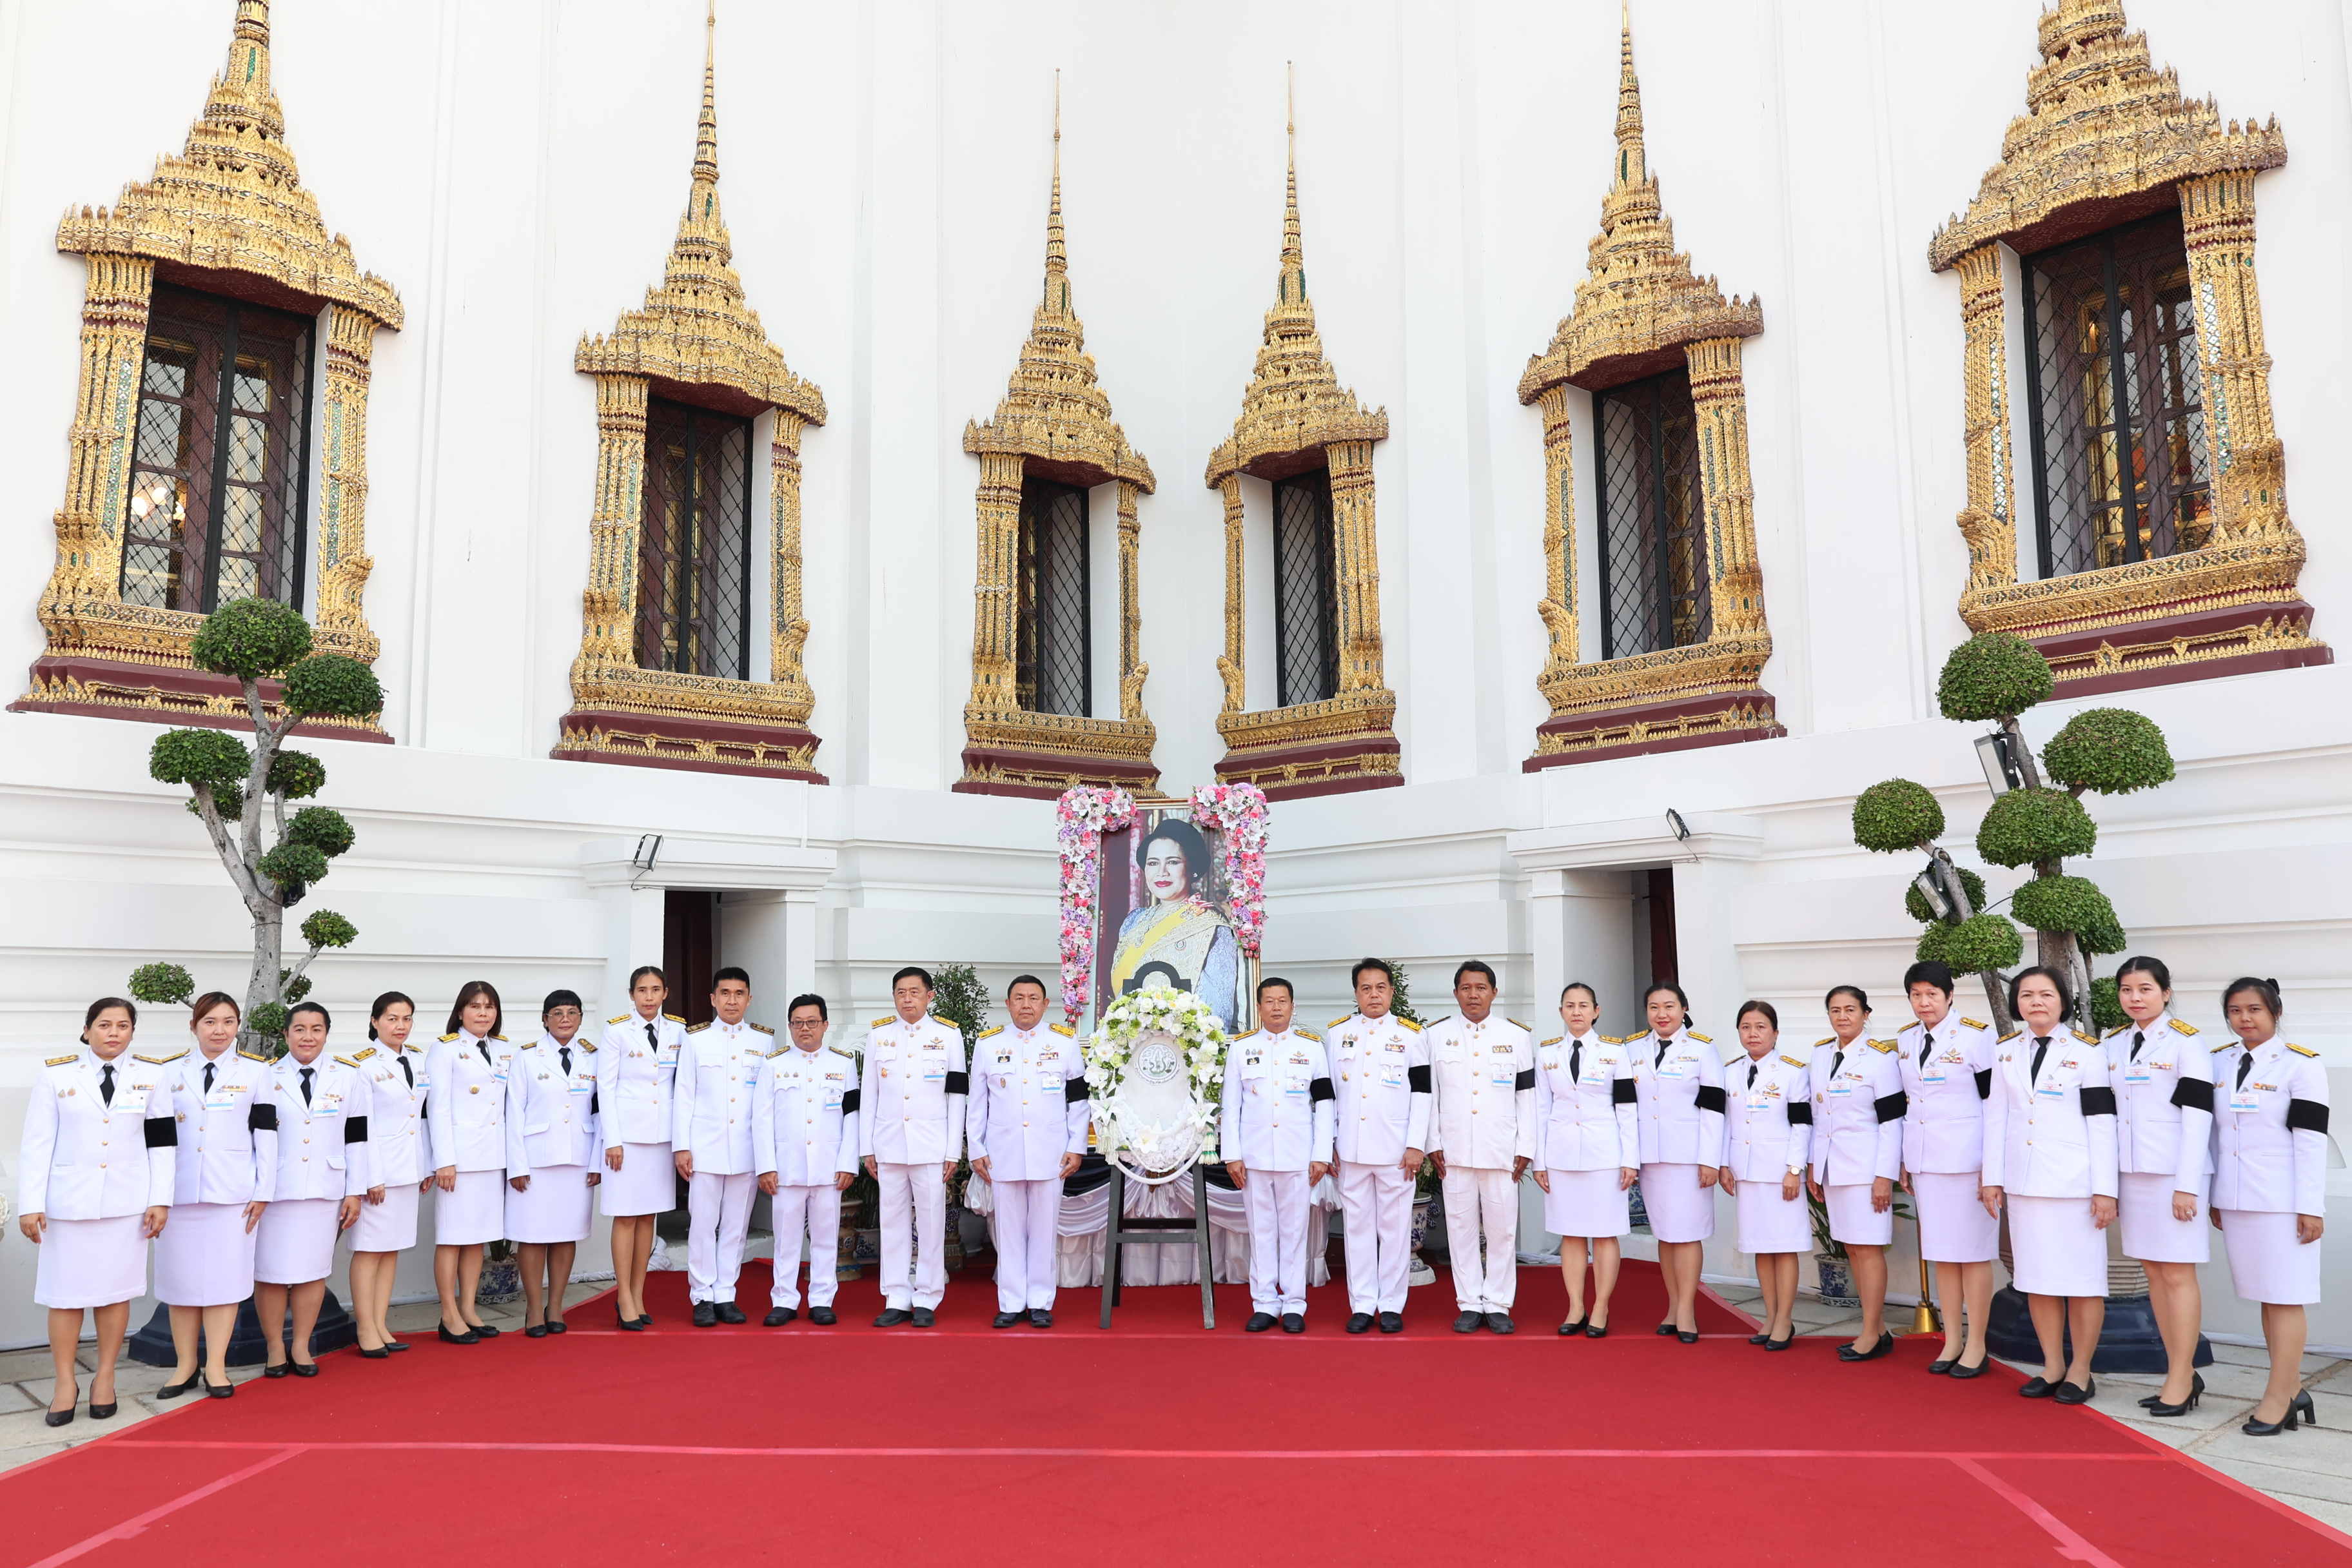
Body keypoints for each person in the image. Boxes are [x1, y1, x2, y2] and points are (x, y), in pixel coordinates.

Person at [17, 998, 174, 1426]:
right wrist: (30, 1204)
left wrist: (160, 1198)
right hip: (67, 1205)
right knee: (64, 1298)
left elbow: (162, 1142)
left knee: (114, 1293)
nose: (114, 1033)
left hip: (127, 1206)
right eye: (104, 1025)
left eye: (123, 1025)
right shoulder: (57, 1075)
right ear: (86, 1030)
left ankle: (105, 1379)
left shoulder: (153, 1076)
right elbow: (36, 1144)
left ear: (132, 1032)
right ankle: (65, 1383)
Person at [1981, 965, 2117, 1404]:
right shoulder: (2005, 1052)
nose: (2035, 1002)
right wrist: (1992, 1179)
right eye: (2026, 995)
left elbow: (2102, 1123)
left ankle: (2080, 1369)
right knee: (2036, 1280)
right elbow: (1996, 1118)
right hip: (2024, 1184)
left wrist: (2106, 1189)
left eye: (2045, 994)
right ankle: (2053, 1365)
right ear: (2015, 1003)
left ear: (2063, 1000)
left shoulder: (2088, 1052)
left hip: (2075, 1186)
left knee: (2082, 1281)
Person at [2210, 977, 2328, 1436]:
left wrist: (2310, 1207)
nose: (2245, 1019)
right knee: (2267, 1295)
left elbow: (2311, 1141)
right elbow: (2219, 1135)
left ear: (2275, 1012)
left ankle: (2279, 1397)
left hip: (2283, 1201)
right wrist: (2219, 1194)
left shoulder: (2300, 1066)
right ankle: (2291, 1385)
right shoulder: (2221, 1061)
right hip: (2238, 1200)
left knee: (2285, 1296)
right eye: (2236, 1010)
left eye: (2255, 1009)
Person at [155, 992, 275, 1399]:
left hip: (233, 1194)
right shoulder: (167, 1072)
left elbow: (267, 1134)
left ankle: (217, 1367)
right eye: (209, 1022)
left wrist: (264, 1190)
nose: (219, 1030)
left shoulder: (257, 1072)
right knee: (180, 1283)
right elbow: (155, 1137)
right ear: (194, 1027)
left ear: (238, 1026)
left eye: (227, 1021)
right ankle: (185, 1365)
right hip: (179, 1194)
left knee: (225, 1283)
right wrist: (155, 1193)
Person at [2106, 956, 2212, 1416]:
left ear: (2166, 993)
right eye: (2127, 990)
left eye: (2145, 989)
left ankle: (2180, 1376)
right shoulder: (2115, 1044)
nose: (2135, 998)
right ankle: (2180, 1369)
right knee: (2153, 1273)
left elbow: (2198, 1118)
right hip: (2134, 1175)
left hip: (2174, 1176)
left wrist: (2187, 1185)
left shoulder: (2187, 1043)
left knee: (2177, 1273)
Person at [1892, 961, 1999, 1377]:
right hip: (1926, 1162)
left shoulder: (1976, 1037)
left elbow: (1994, 1105)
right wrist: (1905, 1158)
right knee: (1943, 1256)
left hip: (1967, 1162)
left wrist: (1990, 1167)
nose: (1924, 1003)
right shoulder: (1905, 1041)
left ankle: (1977, 1344)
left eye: (1932, 994)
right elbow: (1908, 1104)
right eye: (1916, 995)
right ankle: (1952, 1339)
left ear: (1949, 995)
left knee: (1972, 1255)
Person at [253, 1002, 368, 1378]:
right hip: (277, 1191)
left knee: (313, 1272)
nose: (308, 1037)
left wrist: (355, 1190)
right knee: (270, 1273)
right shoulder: (265, 1076)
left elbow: (357, 1136)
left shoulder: (348, 1076)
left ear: (326, 1034)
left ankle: (301, 1345)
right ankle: (275, 1347)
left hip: (325, 1188)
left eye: (316, 1029)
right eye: (299, 1029)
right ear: (285, 1035)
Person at [968, 975, 1088, 1328]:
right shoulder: (989, 1045)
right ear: (1007, 1005)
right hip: (1002, 1152)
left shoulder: (1065, 1042)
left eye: (1033, 998)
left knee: (1043, 1228)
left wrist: (1076, 1146)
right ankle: (1010, 1301)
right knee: (1007, 1229)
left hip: (1050, 1152)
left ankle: (1039, 1301)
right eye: (1018, 998)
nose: (1025, 1004)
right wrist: (976, 1147)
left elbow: (1079, 1101)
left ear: (1044, 1004)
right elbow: (977, 1104)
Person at [1424, 961, 1534, 1333]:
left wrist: (1526, 1146)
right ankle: (1470, 1302)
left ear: (1494, 993)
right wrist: (1432, 1142)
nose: (1474, 994)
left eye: (1481, 988)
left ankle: (1499, 1303)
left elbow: (1527, 1096)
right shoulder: (1436, 1036)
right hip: (1453, 1150)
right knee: (1461, 1229)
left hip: (1501, 1149)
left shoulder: (1516, 1036)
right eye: (1466, 988)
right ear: (1456, 993)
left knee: (1502, 1231)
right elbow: (1430, 1095)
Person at [1222, 979, 1335, 1333]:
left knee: (1295, 1232)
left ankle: (1294, 1306)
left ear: (1292, 1005)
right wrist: (1232, 1155)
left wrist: (1321, 1153)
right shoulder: (1241, 1049)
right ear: (1259, 1007)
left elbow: (1326, 1103)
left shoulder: (1312, 1049)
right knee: (1261, 1231)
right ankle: (1265, 1303)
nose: (1276, 1007)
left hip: (1297, 1156)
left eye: (1282, 1001)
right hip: (1253, 1158)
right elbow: (1231, 1105)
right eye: (1269, 1001)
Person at [1324, 960, 1429, 1334]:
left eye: (1380, 987)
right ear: (1356, 993)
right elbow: (1330, 1096)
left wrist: (1416, 1144)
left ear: (1392, 991)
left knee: (1396, 1228)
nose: (1374, 995)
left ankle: (1391, 1304)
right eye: (1366, 988)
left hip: (1396, 1150)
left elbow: (1423, 1093)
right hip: (1350, 1150)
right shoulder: (1337, 1034)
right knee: (1357, 1229)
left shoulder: (1412, 1035)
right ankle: (1363, 1303)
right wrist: (1329, 1144)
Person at [860, 966, 968, 1328]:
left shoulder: (949, 1036)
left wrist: (953, 1151)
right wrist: (867, 1148)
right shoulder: (879, 1037)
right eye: (901, 993)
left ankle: (926, 1297)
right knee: (891, 1223)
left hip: (931, 1147)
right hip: (889, 1145)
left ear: (929, 996)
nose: (908, 999)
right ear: (894, 997)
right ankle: (896, 1295)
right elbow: (869, 1096)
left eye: (915, 992)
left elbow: (957, 1098)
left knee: (932, 1221)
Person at [1803, 985, 1905, 1362]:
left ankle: (1870, 1333)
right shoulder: (1820, 1054)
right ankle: (1876, 1328)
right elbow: (1818, 1117)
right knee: (1851, 1247)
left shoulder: (1880, 1058)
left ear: (1866, 1014)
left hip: (1866, 1168)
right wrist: (1815, 1164)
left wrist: (1884, 1175)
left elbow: (1893, 1120)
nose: (1842, 1016)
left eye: (1850, 1009)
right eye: (1835, 1010)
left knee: (1868, 1247)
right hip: (1833, 1168)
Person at [1532, 982, 1638, 1338]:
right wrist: (1539, 1161)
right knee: (1572, 1234)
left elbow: (1626, 1108)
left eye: (1584, 1005)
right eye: (1569, 1005)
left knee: (1605, 1234)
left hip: (1605, 1156)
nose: (1576, 1011)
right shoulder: (1547, 1053)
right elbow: (1541, 1109)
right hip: (1561, 1156)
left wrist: (1631, 1159)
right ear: (1560, 1011)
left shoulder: (1615, 1052)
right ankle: (1576, 1305)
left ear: (1597, 1010)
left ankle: (1601, 1306)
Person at [1626, 980, 1724, 1343]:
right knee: (1665, 1236)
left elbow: (1714, 1108)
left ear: (1683, 1009)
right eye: (1654, 1007)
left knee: (1687, 1235)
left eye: (1669, 1006)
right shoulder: (1633, 1048)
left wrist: (1711, 1160)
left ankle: (1687, 1311)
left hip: (1689, 1157)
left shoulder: (1702, 1049)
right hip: (1651, 1157)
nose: (1661, 1014)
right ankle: (1672, 1306)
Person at [752, 994, 859, 1326]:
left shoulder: (843, 1064)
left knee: (827, 1237)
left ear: (826, 1025)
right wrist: (766, 1165)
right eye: (797, 1023)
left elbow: (853, 1117)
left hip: (829, 1166)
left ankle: (822, 1299)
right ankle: (784, 1299)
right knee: (786, 1239)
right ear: (790, 1026)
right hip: (786, 1167)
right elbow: (761, 1119)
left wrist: (848, 1163)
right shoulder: (774, 1064)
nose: (805, 1029)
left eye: (812, 1022)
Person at [425, 981, 521, 1344]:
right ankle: (449, 1315)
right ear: (461, 1011)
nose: (483, 1013)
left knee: (477, 1239)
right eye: (475, 1006)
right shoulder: (445, 1049)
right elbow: (437, 1109)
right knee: (452, 1238)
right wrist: (444, 1161)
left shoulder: (503, 1049)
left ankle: (468, 1309)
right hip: (460, 1161)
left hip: (492, 1157)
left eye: (489, 1006)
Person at [673, 968, 770, 1327]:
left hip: (746, 1149)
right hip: (705, 1148)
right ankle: (701, 1295)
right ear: (713, 999)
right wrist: (681, 1146)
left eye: (739, 993)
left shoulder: (763, 1042)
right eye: (725, 993)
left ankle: (725, 1293)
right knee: (702, 1223)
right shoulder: (695, 1039)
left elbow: (764, 1103)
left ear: (749, 998)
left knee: (736, 1226)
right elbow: (683, 1096)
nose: (732, 1000)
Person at [507, 989, 602, 1338]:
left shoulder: (594, 1057)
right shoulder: (527, 1057)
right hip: (535, 1161)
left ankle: (556, 1305)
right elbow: (513, 1112)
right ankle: (534, 1308)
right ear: (544, 1019)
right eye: (557, 1013)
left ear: (580, 1018)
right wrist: (516, 1165)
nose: (565, 1019)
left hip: (578, 1158)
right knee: (532, 1236)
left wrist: (597, 1161)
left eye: (572, 1013)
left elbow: (600, 1111)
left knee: (566, 1234)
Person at [596, 965, 685, 1331]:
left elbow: (682, 1085)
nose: (649, 997)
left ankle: (638, 1292)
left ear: (666, 994)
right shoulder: (617, 1031)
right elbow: (606, 1087)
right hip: (627, 1140)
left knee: (649, 1216)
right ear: (631, 995)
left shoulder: (679, 1030)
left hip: (661, 1137)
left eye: (656, 990)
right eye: (642, 990)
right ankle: (623, 1296)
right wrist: (613, 1140)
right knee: (626, 1215)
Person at [1717, 1000, 1808, 1351]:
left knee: (1784, 1248)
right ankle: (1770, 1316)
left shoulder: (1793, 1071)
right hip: (1747, 1171)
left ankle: (1785, 1319)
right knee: (1761, 1248)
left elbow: (1802, 1124)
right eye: (1745, 1027)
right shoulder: (1730, 1072)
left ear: (1775, 1032)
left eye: (1760, 1027)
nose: (1752, 1034)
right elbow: (1725, 1123)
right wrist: (1724, 1163)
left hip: (1781, 1172)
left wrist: (1794, 1170)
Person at [348, 991, 429, 1356]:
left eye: (407, 1019)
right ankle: (365, 1328)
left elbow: (421, 1119)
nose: (401, 1026)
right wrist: (370, 1177)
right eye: (393, 1018)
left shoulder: (417, 1059)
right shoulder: (362, 1066)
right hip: (378, 1173)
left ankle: (381, 1323)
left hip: (408, 1169)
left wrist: (425, 1166)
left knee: (391, 1248)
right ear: (375, 1021)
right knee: (369, 1249)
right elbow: (362, 1127)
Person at [1105, 818, 1240, 1032]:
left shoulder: (1212, 926)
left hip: (1186, 1050)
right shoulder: (1133, 921)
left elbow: (1217, 1013)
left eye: (1173, 862)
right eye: (1153, 863)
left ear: (1192, 867)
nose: (1162, 872)